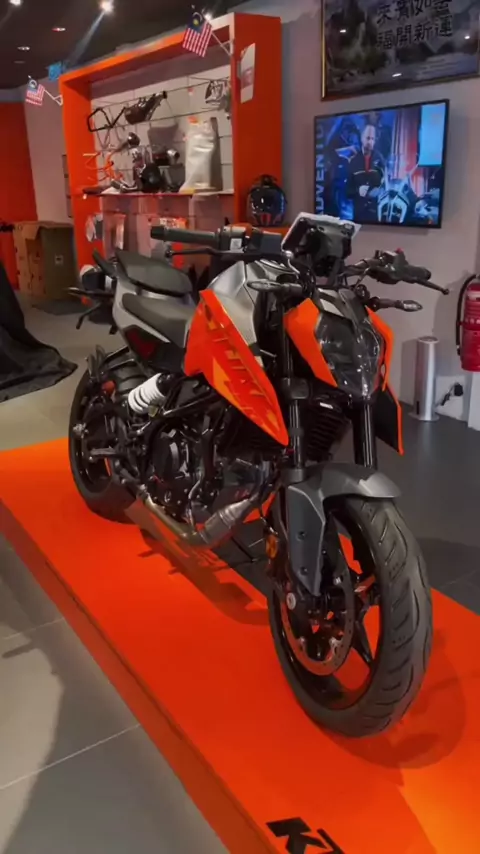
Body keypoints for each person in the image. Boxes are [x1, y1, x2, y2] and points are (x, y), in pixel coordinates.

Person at [346, 123, 385, 223]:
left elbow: (386, 185)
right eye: (368, 138)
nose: (370, 142)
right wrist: (358, 190)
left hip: (377, 216)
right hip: (358, 216)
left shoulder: (380, 160)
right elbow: (348, 191)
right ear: (362, 138)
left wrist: (379, 191)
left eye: (372, 139)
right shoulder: (353, 161)